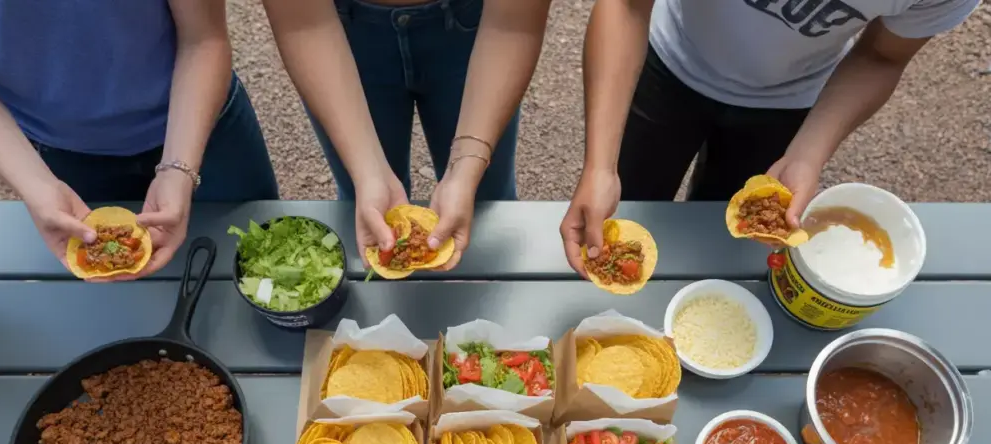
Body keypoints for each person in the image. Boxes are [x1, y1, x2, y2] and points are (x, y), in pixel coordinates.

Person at [560, 0, 979, 274]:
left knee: (721, 246)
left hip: (790, 100)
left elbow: (882, 55)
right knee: (626, 209)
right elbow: (627, 6)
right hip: (667, 59)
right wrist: (599, 165)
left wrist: (807, 154)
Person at [0, 0, 279, 278]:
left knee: (268, 261)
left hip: (204, 125)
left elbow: (203, 39)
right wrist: (35, 184)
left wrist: (178, 168)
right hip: (59, 155)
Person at [263, 0, 551, 269]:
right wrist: (368, 173)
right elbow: (302, 24)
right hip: (336, 36)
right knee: (369, 204)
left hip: (480, 28)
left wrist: (466, 169)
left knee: (486, 205)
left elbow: (513, 25)